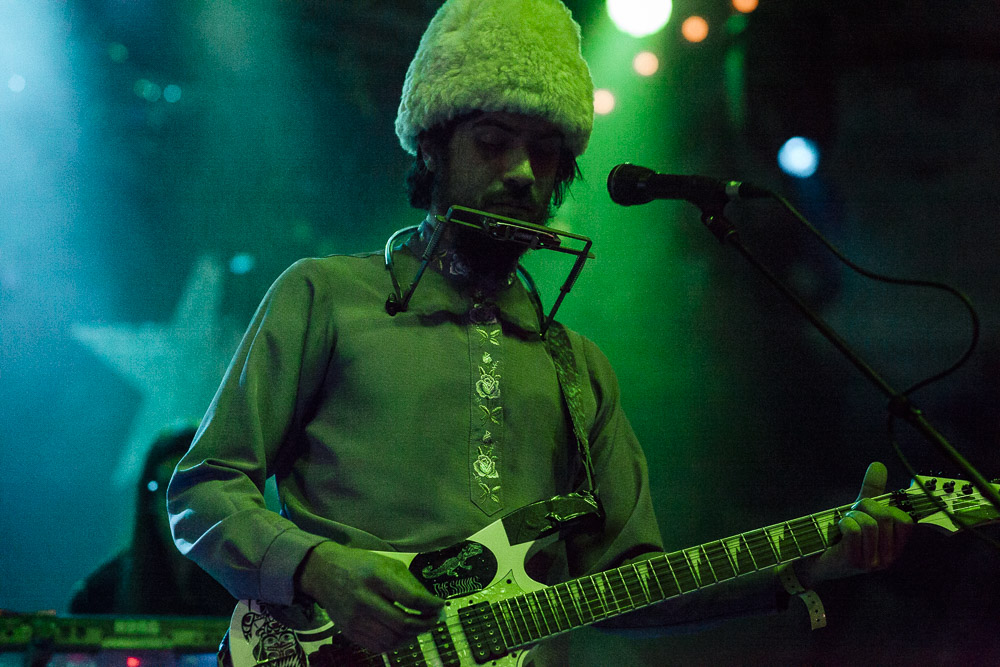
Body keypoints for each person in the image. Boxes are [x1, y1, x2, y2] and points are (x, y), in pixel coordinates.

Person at [166, 0, 913, 663]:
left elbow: (633, 587)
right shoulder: (322, 295)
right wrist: (318, 565)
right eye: (493, 141)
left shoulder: (578, 368)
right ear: (432, 144)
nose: (522, 170)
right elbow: (202, 490)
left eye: (545, 150)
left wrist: (812, 562)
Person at [70, 423, 233, 616]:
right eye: (167, 487)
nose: (181, 504)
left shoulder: (249, 587)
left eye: (193, 487)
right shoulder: (98, 596)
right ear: (149, 500)